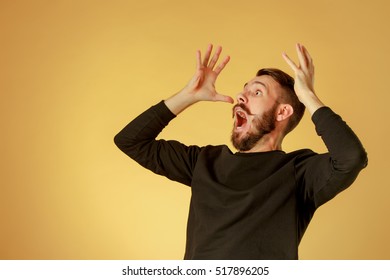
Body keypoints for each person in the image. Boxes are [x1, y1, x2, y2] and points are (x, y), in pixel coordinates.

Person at [114, 43, 368, 259]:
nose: (241, 96)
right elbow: (130, 141)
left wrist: (307, 96)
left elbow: (351, 158)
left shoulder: (298, 173)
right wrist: (187, 95)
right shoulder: (204, 162)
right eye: (244, 90)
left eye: (256, 91)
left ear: (282, 112)